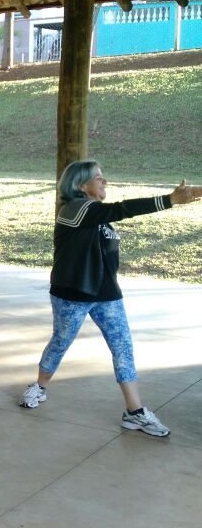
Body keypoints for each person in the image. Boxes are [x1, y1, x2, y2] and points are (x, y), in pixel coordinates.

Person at [18, 161, 202, 437]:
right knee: (61, 341)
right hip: (73, 293)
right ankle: (39, 386)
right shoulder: (74, 209)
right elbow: (122, 209)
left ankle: (134, 412)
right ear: (81, 185)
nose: (105, 181)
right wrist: (169, 200)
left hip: (106, 294)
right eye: (98, 178)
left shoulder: (97, 215)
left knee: (122, 347)